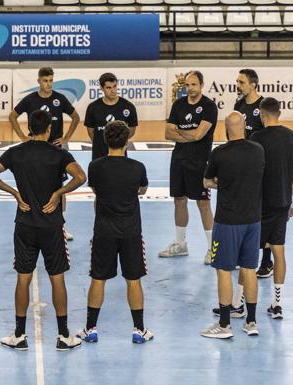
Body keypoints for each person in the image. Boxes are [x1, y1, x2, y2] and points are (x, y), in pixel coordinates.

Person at [0, 110, 86, 351]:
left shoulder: (16, 153)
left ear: (29, 127)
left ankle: (19, 335)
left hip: (25, 225)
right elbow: (80, 176)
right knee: (57, 278)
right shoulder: (59, 154)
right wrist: (59, 193)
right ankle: (63, 336)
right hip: (52, 226)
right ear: (49, 129)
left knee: (23, 278)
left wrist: (14, 193)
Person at [76, 120, 153, 344]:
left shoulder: (96, 166)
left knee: (98, 279)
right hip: (130, 232)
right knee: (134, 280)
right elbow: (143, 189)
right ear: (127, 140)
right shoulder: (137, 167)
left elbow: (96, 189)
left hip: (104, 232)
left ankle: (91, 328)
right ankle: (139, 330)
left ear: (105, 139)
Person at [200, 112, 264, 339]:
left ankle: (224, 324)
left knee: (224, 270)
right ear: (245, 126)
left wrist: (220, 182)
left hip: (228, 221)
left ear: (226, 128)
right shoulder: (258, 150)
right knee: (249, 270)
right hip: (253, 220)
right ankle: (252, 321)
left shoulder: (219, 154)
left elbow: (207, 181)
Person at [9, 67, 81, 241]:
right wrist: (22, 137)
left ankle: (61, 225)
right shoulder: (30, 99)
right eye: (45, 80)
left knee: (60, 187)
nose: (48, 84)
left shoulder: (60, 98)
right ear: (39, 81)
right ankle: (31, 218)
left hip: (56, 149)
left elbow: (76, 117)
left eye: (50, 80)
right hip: (34, 147)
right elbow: (12, 116)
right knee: (34, 182)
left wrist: (65, 139)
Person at [159, 71, 217, 264]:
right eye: (188, 85)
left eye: (194, 84)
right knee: (179, 200)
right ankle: (180, 244)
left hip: (200, 162)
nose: (190, 88)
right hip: (179, 160)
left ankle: (212, 249)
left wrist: (181, 132)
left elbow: (199, 135)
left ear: (201, 85)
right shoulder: (179, 104)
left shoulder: (209, 107)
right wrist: (188, 134)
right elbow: (167, 133)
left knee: (203, 204)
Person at [250, 97, 293, 320]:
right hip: (283, 202)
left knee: (247, 254)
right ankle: (277, 304)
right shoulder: (290, 136)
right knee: (279, 251)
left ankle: (240, 303)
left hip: (260, 204)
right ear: (279, 112)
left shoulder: (256, 138)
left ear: (261, 114)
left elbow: (252, 172)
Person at [234, 69, 272, 278]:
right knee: (243, 211)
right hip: (242, 167)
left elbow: (270, 135)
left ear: (253, 85)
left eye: (241, 82)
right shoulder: (239, 105)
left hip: (259, 167)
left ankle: (266, 261)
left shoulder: (263, 106)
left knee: (262, 214)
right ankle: (245, 255)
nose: (237, 85)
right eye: (237, 81)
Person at [85, 72, 138, 161]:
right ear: (102, 88)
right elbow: (90, 131)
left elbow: (132, 130)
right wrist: (101, 143)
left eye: (114, 86)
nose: (113, 90)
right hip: (99, 155)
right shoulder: (93, 107)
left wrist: (118, 142)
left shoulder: (128, 107)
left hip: (119, 154)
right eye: (109, 88)